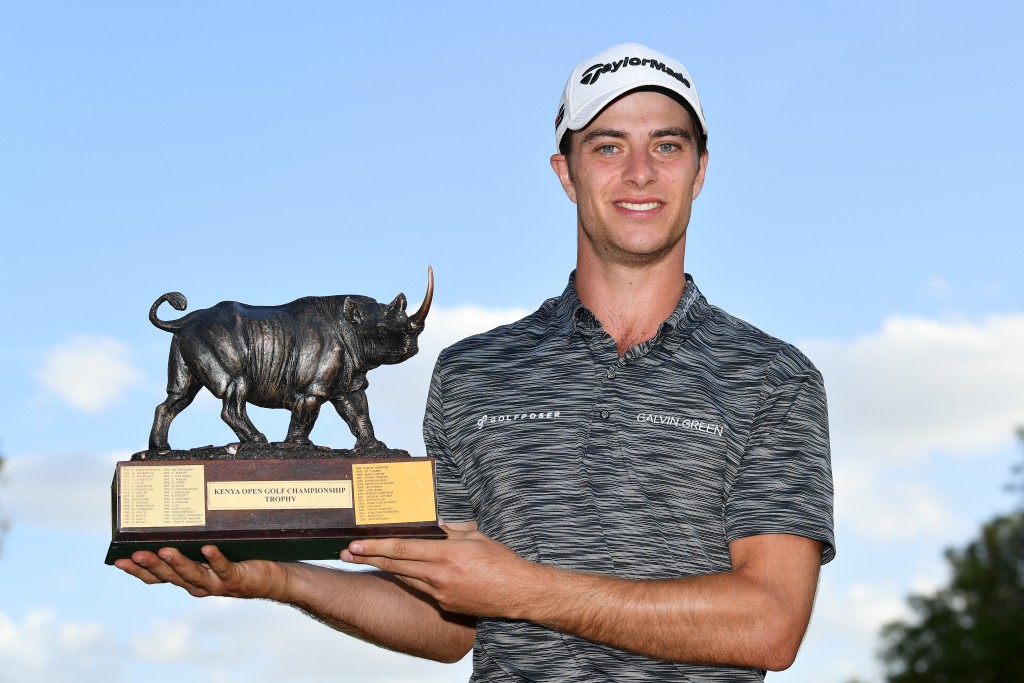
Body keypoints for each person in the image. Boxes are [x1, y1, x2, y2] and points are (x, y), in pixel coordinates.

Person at [116, 43, 835, 682]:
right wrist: (276, 576)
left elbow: (768, 624)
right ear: (566, 171)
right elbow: (450, 623)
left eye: (667, 146)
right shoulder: (473, 372)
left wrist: (522, 588)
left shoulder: (773, 376)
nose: (639, 172)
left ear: (700, 169)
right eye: (608, 147)